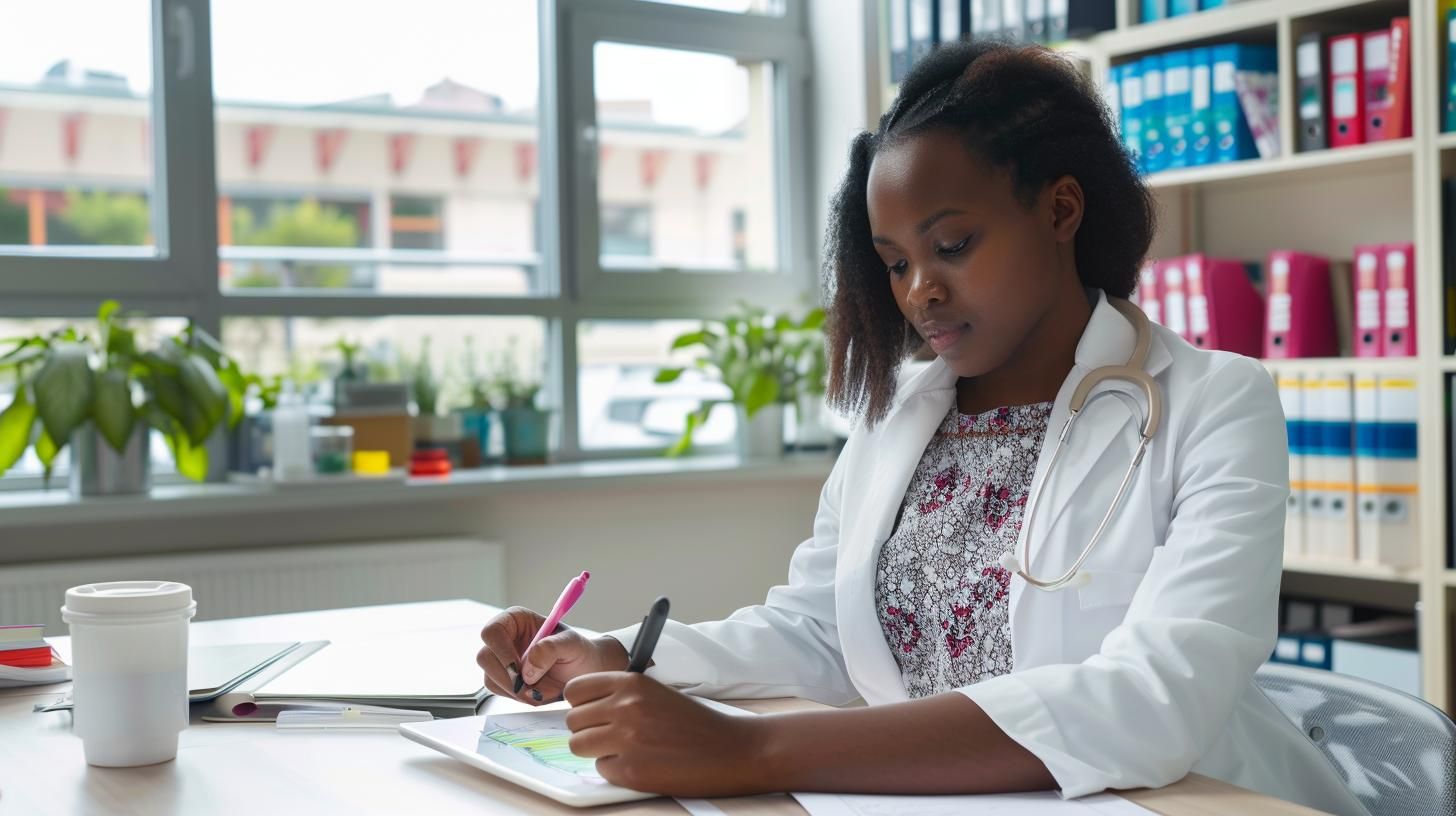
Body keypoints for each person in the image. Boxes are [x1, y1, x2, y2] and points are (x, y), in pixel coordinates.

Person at [477, 40, 1368, 816]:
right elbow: (823, 631)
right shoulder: (902, 411)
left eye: (953, 246)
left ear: (1060, 210)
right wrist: (622, 654)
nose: (918, 293)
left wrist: (746, 752)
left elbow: (1153, 700)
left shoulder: (1218, 402)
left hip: (1190, 802)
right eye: (896, 262)